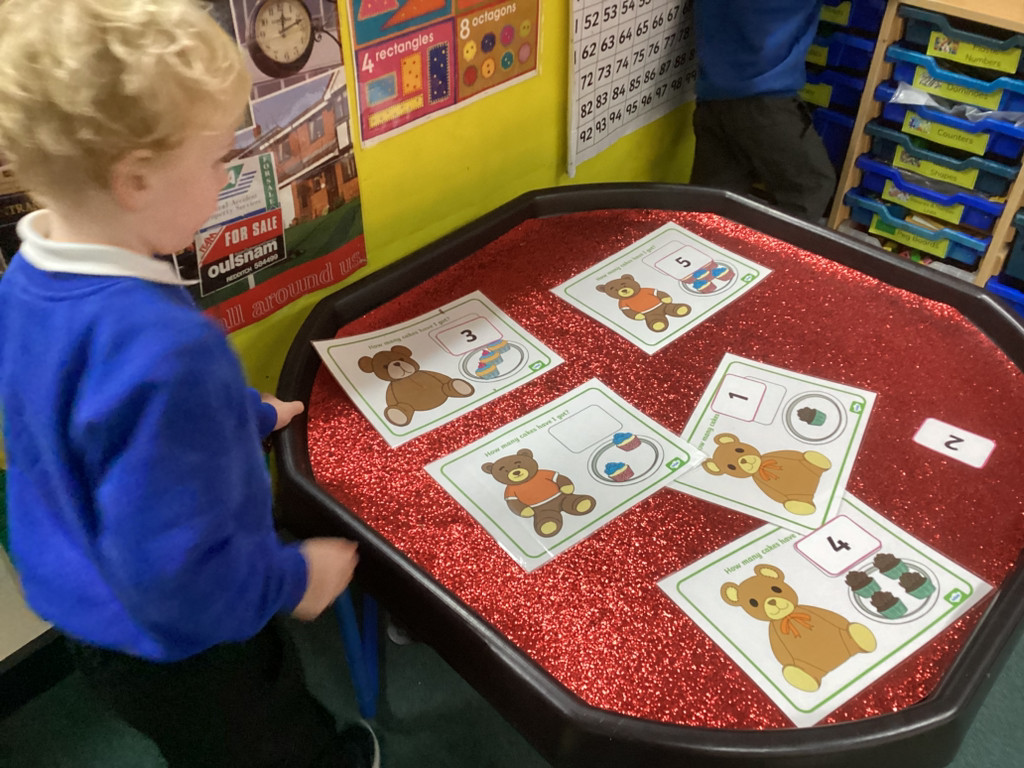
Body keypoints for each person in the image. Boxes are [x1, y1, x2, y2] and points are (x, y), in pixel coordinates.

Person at [0, 1, 378, 766]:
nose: (226, 175)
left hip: (86, 605)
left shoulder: (30, 275)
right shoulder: (169, 350)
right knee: (261, 738)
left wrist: (240, 415)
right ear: (136, 179)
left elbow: (100, 419)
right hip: (184, 639)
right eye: (215, 161)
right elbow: (180, 579)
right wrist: (294, 578)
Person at [690, 0, 837, 222]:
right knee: (811, 185)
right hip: (765, 103)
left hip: (712, 98)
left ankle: (699, 242)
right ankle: (772, 245)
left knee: (714, 202)